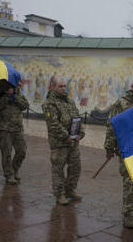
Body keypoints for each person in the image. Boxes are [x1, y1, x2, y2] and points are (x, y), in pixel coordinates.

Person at [104, 77, 133, 229]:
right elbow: (111, 124)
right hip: (127, 147)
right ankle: (127, 215)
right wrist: (109, 147)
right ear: (132, 87)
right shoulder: (122, 103)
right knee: (130, 181)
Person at [42, 77, 85, 205]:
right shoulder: (49, 103)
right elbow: (53, 123)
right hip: (59, 143)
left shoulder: (69, 101)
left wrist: (80, 133)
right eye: (60, 86)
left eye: (65, 86)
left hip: (73, 142)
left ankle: (70, 190)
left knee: (75, 167)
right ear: (53, 87)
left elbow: (77, 117)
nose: (63, 88)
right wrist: (66, 136)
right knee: (58, 169)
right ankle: (60, 194)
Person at [0, 82, 29, 185]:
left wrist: (14, 96)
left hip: (18, 129)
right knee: (6, 153)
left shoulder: (19, 94)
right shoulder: (0, 94)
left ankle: (14, 169)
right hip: (4, 129)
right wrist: (7, 95)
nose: (17, 86)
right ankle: (9, 175)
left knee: (22, 151)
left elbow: (25, 106)